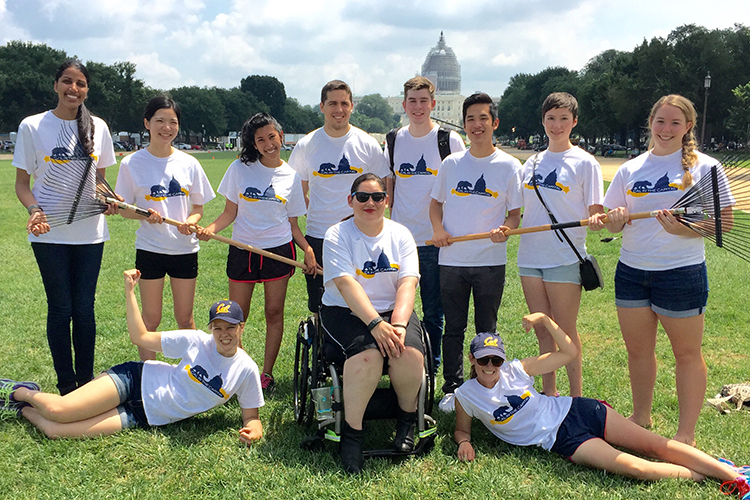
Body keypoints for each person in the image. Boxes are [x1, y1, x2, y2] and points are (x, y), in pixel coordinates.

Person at [452, 314, 750, 495]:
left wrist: (545, 320)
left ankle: (735, 478)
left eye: (496, 360)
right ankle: (718, 472)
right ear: (472, 360)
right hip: (561, 439)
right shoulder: (466, 395)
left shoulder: (516, 370)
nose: (490, 366)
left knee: (657, 446)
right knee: (638, 468)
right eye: (483, 360)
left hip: (579, 410)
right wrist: (463, 443)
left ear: (503, 359)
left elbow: (569, 352)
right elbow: (462, 431)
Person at [588, 94, 733, 446]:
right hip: (633, 271)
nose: (666, 129)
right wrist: (615, 220)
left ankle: (686, 435)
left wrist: (685, 228)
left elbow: (724, 222)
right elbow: (612, 223)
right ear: (650, 123)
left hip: (681, 272)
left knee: (686, 354)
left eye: (674, 123)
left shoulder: (705, 167)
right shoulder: (631, 168)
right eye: (660, 121)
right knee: (638, 352)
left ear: (688, 127)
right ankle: (641, 417)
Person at [0, 269, 264, 443]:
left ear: (241, 327)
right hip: (135, 380)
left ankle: (19, 409)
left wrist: (253, 431)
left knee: (55, 431)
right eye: (218, 327)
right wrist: (129, 291)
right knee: (59, 410)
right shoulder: (196, 340)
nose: (224, 334)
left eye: (231, 327)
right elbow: (140, 338)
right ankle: (20, 391)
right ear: (211, 328)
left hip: (144, 416)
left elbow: (251, 417)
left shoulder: (246, 369)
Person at [13, 59, 118, 395]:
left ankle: (85, 383)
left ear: (87, 89)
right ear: (56, 84)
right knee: (60, 307)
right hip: (49, 234)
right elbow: (22, 184)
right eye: (67, 81)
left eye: (81, 83)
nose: (74, 89)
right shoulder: (32, 126)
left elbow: (100, 180)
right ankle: (65, 384)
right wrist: (34, 210)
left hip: (90, 233)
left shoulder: (98, 127)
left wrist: (109, 200)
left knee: (84, 308)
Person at [197, 112, 316, 394]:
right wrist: (210, 229)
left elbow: (294, 226)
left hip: (279, 251)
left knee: (274, 313)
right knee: (236, 316)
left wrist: (308, 249)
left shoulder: (291, 176)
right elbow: (229, 212)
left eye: (271, 137)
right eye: (260, 140)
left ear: (281, 136)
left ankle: (266, 374)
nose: (267, 144)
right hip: (243, 250)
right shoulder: (240, 169)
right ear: (254, 143)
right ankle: (238, 370)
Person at [321, 173, 424, 474]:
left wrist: (400, 326)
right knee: (367, 357)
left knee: (407, 353)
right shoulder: (337, 235)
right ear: (350, 200)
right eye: (362, 197)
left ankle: (407, 420)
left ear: (386, 200)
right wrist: (376, 324)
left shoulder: (401, 234)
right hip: (345, 311)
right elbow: (345, 284)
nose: (370, 203)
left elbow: (408, 283)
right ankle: (352, 434)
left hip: (393, 311)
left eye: (377, 197)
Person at [429, 92, 523, 412]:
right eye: (471, 119)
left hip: (490, 262)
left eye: (483, 118)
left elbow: (514, 215)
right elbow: (435, 205)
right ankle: (453, 387)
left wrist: (506, 229)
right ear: (464, 124)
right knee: (453, 327)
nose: (477, 124)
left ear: (494, 123)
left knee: (487, 329)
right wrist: (438, 230)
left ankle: (486, 384)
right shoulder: (451, 163)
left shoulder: (510, 166)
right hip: (452, 261)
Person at [116, 96, 216, 361]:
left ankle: (193, 375)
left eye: (173, 122)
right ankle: (148, 375)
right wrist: (143, 215)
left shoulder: (189, 163)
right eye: (160, 120)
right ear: (147, 123)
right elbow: (123, 208)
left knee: (186, 318)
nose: (166, 127)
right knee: (151, 319)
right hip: (151, 249)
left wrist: (192, 223)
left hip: (184, 250)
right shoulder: (131, 163)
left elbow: (198, 208)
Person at [518, 92, 604, 398]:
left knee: (565, 331)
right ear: (543, 121)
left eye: (563, 119)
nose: (557, 125)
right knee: (542, 329)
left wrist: (597, 219)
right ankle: (550, 393)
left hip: (564, 257)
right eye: (551, 118)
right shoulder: (531, 162)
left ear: (574, 122)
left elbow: (596, 210)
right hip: (529, 256)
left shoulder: (585, 163)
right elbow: (521, 209)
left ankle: (577, 398)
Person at [384, 76, 465, 371]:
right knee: (394, 310)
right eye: (412, 101)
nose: (418, 107)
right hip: (400, 240)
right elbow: (389, 186)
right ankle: (399, 364)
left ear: (433, 103)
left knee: (433, 311)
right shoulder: (394, 140)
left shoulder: (448, 140)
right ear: (404, 104)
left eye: (423, 101)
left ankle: (430, 368)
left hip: (434, 239)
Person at [288, 80, 390, 314]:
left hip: (360, 235)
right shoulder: (307, 145)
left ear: (352, 106)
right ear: (322, 106)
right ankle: (322, 348)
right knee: (320, 304)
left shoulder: (367, 143)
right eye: (332, 103)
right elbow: (297, 192)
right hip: (319, 236)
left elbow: (384, 191)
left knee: (362, 301)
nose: (339, 109)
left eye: (344, 103)